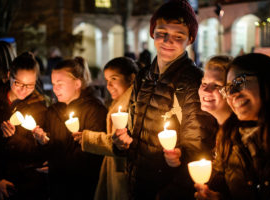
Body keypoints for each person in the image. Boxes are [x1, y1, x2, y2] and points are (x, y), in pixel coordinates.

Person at [112, 0, 217, 199]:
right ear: (152, 33)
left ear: (190, 39)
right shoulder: (143, 76)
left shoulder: (193, 82)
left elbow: (197, 151)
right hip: (137, 185)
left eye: (178, 36)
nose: (168, 41)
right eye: (162, 33)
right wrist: (120, 144)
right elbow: (133, 133)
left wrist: (168, 194)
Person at [195, 53, 270, 200]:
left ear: (268, 79)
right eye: (228, 88)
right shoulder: (234, 138)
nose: (231, 94)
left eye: (239, 82)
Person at [33, 57, 108, 200]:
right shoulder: (53, 111)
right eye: (54, 83)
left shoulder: (95, 110)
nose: (55, 88)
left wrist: (57, 166)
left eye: (60, 83)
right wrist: (43, 141)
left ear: (77, 83)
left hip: (85, 188)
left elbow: (93, 154)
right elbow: (52, 150)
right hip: (58, 188)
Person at [72, 57, 138, 200]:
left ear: (131, 78)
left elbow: (120, 142)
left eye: (114, 78)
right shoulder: (120, 102)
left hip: (126, 175)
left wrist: (88, 138)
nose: (108, 85)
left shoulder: (132, 105)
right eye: (107, 80)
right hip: (116, 173)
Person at [0, 52, 49, 200]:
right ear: (9, 75)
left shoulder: (41, 108)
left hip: (29, 185)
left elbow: (44, 153)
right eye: (18, 83)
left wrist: (43, 141)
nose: (23, 89)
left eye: (29, 85)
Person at [198, 55, 233, 126]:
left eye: (217, 85)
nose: (206, 90)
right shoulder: (210, 127)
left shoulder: (241, 132)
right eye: (204, 83)